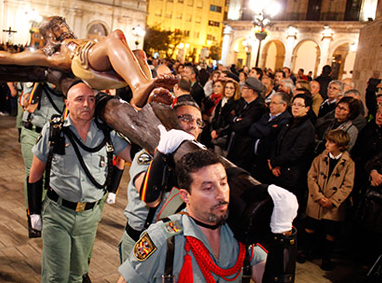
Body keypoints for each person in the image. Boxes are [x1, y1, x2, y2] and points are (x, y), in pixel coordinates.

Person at [118, 147, 298, 283]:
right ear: (185, 196)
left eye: (223, 183)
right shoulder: (163, 238)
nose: (221, 194)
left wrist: (284, 232)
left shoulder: (238, 235)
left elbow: (272, 279)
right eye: (208, 188)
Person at [26, 82, 132, 282]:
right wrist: (34, 213)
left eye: (91, 99)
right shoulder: (55, 131)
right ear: (67, 103)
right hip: (58, 215)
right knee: (56, 276)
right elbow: (35, 174)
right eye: (80, 99)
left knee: (77, 275)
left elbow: (131, 155)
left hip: (89, 217)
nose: (86, 104)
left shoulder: (106, 132)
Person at [0, 16, 177, 108]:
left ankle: (148, 93)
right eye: (55, 27)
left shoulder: (79, 38)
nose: (61, 28)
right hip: (83, 63)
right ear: (48, 35)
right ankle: (139, 87)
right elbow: (10, 58)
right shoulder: (48, 53)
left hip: (101, 59)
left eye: (62, 24)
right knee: (116, 36)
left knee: (138, 53)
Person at [119, 101, 203, 263]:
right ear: (170, 123)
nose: (194, 125)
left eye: (198, 122)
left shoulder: (195, 163)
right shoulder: (147, 156)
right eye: (186, 118)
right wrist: (162, 153)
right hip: (140, 240)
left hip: (170, 243)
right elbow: (149, 197)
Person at [299, 129, 354, 271]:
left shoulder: (348, 163)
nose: (327, 144)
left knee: (331, 232)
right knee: (310, 226)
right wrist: (318, 196)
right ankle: (305, 251)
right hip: (317, 201)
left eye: (331, 142)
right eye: (327, 141)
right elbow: (311, 177)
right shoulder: (319, 158)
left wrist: (333, 201)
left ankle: (326, 258)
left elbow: (347, 185)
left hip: (333, 204)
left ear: (341, 145)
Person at [20, 81, 65, 237]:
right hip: (32, 131)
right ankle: (33, 214)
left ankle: (46, 215)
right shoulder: (34, 79)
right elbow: (28, 105)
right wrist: (39, 83)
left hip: (55, 136)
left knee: (50, 176)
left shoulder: (67, 82)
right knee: (32, 173)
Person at [268, 94, 315, 198]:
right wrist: (273, 162)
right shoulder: (289, 122)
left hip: (291, 174)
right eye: (294, 104)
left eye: (300, 105)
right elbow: (277, 142)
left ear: (307, 109)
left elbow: (296, 153)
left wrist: (275, 162)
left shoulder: (307, 128)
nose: (296, 107)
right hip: (278, 169)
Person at [225, 77, 267, 171]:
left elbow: (243, 125)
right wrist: (236, 120)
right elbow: (228, 116)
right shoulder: (243, 103)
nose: (241, 90)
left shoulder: (258, 108)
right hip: (235, 144)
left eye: (244, 88)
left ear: (251, 91)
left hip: (245, 149)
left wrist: (235, 122)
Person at [249, 92, 292, 183]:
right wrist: (264, 130)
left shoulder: (286, 120)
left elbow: (270, 133)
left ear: (284, 105)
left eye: (274, 103)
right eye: (270, 103)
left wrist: (261, 128)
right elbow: (252, 129)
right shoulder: (266, 115)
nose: (271, 106)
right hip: (255, 158)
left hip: (267, 161)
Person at [210, 80, 240, 157]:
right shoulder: (221, 101)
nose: (228, 90)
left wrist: (218, 132)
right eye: (226, 87)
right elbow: (215, 118)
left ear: (235, 90)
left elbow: (231, 123)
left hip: (226, 136)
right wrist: (213, 130)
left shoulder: (236, 104)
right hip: (216, 134)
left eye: (231, 88)